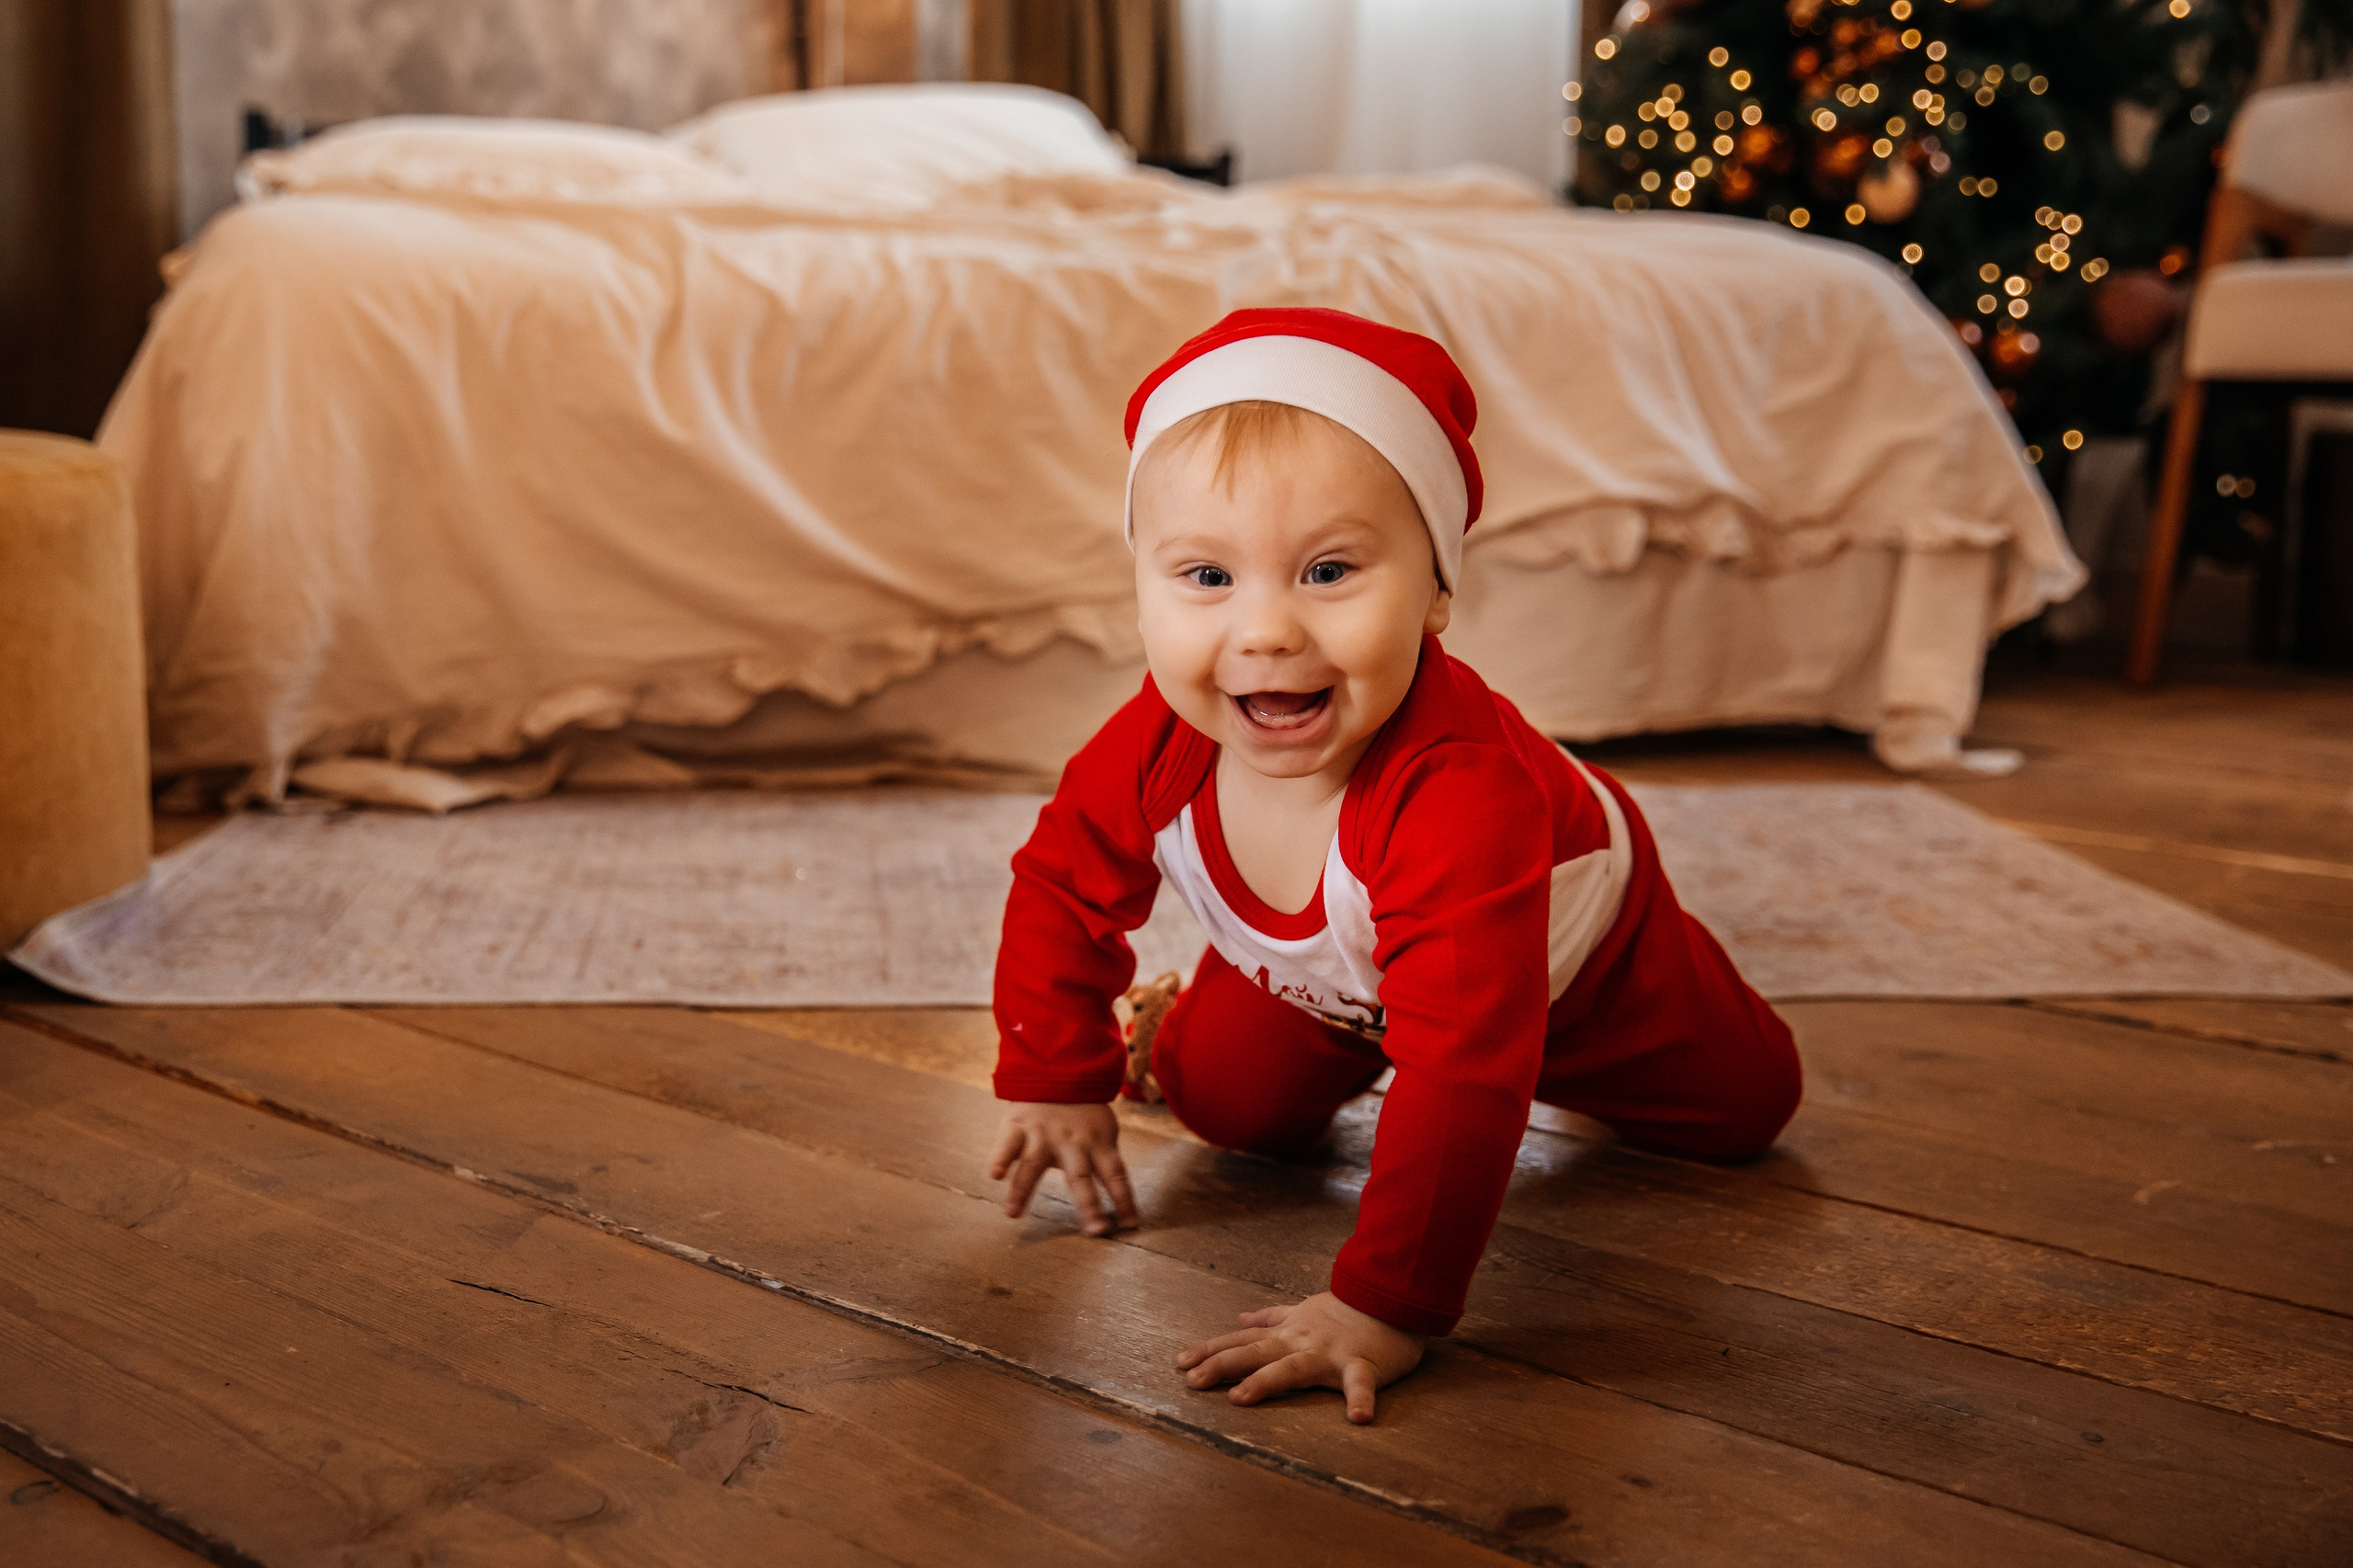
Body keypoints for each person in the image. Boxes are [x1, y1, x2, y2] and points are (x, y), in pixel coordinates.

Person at [987, 307, 1802, 1424]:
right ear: (1140, 587)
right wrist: (1053, 1070)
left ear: (1435, 593)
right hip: (1344, 980)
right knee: (1222, 1103)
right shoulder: (1155, 742)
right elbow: (1061, 884)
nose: (1266, 629)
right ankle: (1173, 1023)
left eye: (1328, 570)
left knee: (1747, 1106)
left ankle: (1660, 1001)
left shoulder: (1457, 797)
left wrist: (1385, 1305)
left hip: (1577, 962)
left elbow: (1468, 1071)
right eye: (1205, 576)